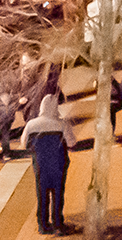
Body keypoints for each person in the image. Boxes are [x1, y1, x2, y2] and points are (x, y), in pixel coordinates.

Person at [21, 97, 72, 235]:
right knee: (58, 193)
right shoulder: (62, 124)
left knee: (42, 194)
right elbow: (72, 142)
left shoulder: (31, 125)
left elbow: (24, 143)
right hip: (58, 164)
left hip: (41, 164)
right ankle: (58, 223)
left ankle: (43, 225)